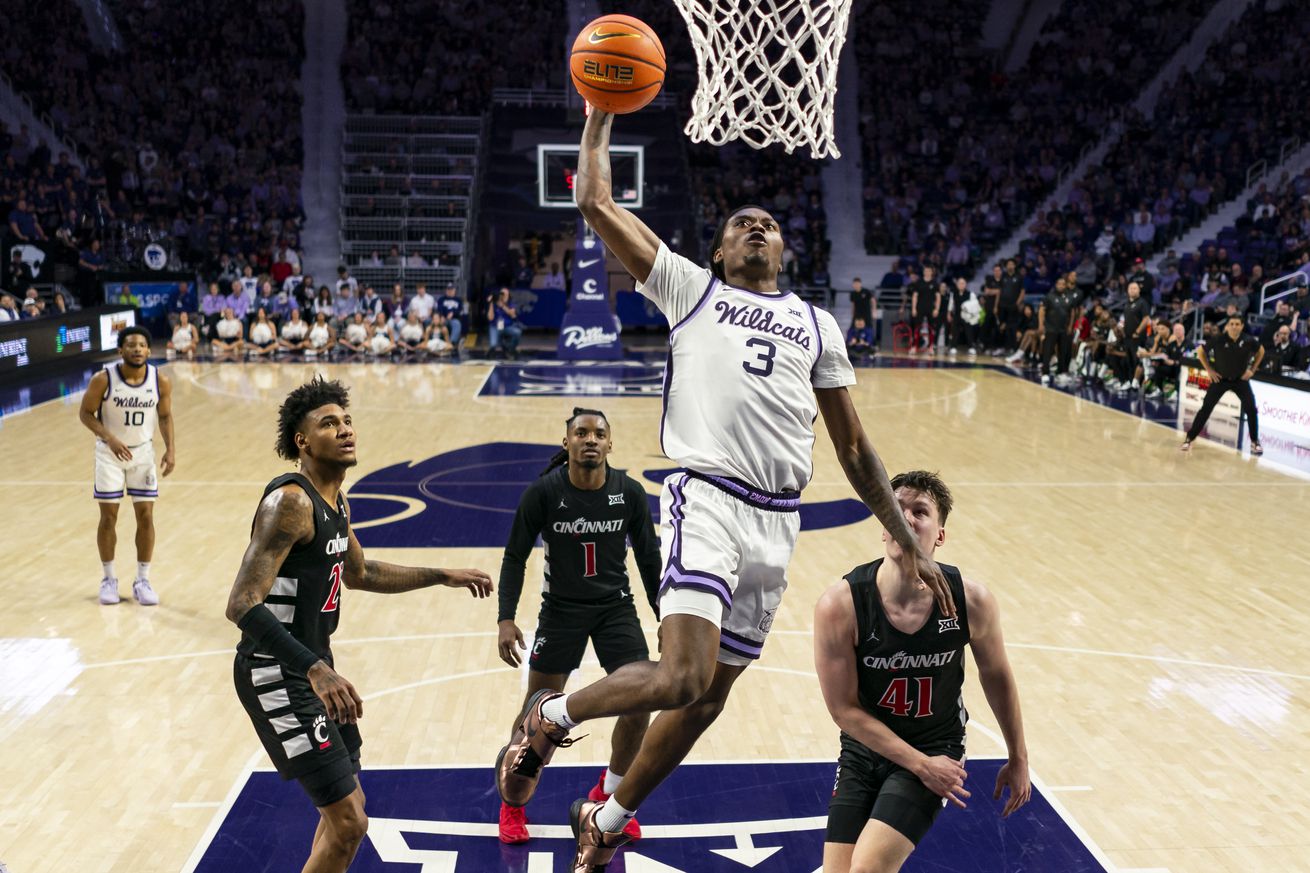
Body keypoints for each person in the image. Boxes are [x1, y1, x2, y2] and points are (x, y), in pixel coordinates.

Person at [494, 105, 953, 871]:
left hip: (778, 522)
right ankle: (551, 714)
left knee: (706, 700)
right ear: (717, 247)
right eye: (741, 221)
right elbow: (596, 203)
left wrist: (908, 543)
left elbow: (853, 446)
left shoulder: (817, 324)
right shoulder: (689, 288)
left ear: (783, 248)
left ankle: (604, 818)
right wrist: (600, 119)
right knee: (680, 674)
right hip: (704, 497)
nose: (756, 227)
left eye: (768, 223)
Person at [224, 377, 492, 873]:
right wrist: (314, 670)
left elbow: (361, 572)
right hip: (276, 673)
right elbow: (241, 603)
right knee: (349, 823)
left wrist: (442, 575)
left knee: (347, 812)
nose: (345, 429)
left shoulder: (336, 501)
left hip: (313, 667)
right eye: (329, 423)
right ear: (302, 442)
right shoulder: (292, 502)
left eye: (347, 420)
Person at [815, 471, 1030, 873]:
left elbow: (997, 676)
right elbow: (844, 710)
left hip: (937, 747)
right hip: (865, 751)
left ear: (940, 535)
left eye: (920, 511)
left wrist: (1018, 756)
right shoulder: (840, 605)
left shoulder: (972, 599)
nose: (907, 519)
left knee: (868, 869)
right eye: (897, 510)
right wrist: (917, 763)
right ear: (883, 525)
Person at [495, 408, 662, 845]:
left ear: (611, 444)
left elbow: (649, 560)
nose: (590, 439)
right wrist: (506, 618)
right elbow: (515, 556)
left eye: (599, 433)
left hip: (614, 609)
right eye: (581, 433)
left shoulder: (628, 492)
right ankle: (512, 803)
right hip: (561, 611)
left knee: (640, 702)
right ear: (566, 442)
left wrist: (668, 617)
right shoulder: (544, 493)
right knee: (536, 710)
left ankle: (609, 796)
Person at [77, 326, 175, 606]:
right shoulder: (103, 379)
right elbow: (85, 413)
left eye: (142, 345)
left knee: (146, 516)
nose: (137, 349)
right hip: (109, 454)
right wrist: (109, 438)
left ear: (148, 350)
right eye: (131, 345)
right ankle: (108, 579)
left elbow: (166, 417)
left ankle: (142, 580)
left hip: (142, 453)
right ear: (120, 351)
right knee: (109, 517)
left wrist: (170, 449)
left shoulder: (160, 381)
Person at [1181, 315, 1264, 455]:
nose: (1234, 326)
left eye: (1237, 324)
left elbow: (1261, 351)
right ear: (1227, 326)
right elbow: (1201, 351)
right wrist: (1209, 370)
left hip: (1240, 380)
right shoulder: (1218, 339)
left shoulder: (1248, 340)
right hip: (1220, 380)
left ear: (1242, 326)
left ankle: (1255, 442)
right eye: (1231, 323)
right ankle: (1189, 438)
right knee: (1205, 409)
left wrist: (1252, 369)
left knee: (1251, 409)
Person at [1038, 277, 1077, 386]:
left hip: (1064, 329)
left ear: (1065, 285)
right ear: (1056, 284)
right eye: (1059, 284)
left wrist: (1070, 326)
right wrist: (1041, 325)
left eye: (1063, 284)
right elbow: (1042, 310)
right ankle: (1045, 372)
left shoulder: (1069, 297)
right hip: (1051, 328)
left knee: (1063, 351)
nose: (1061, 286)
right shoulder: (1049, 296)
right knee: (1048, 350)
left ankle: (1061, 372)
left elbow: (1073, 312)